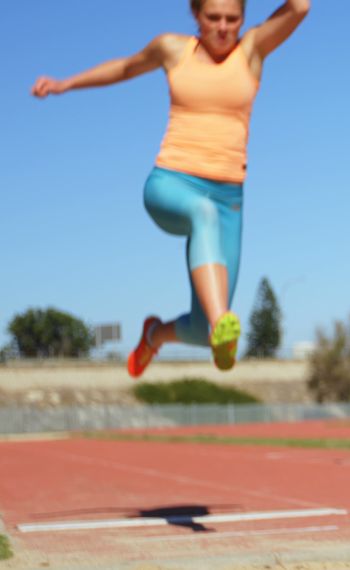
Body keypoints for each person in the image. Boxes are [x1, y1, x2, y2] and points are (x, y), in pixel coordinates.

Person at [31, 0, 310, 377]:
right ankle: (221, 324)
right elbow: (127, 67)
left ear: (243, 19)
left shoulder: (253, 50)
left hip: (229, 200)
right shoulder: (173, 49)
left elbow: (300, 6)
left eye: (232, 19)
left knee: (199, 328)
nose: (224, 27)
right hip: (171, 184)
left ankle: (155, 335)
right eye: (213, 18)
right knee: (202, 216)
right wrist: (67, 84)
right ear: (196, 16)